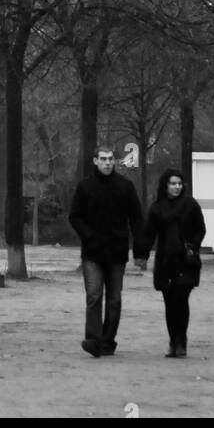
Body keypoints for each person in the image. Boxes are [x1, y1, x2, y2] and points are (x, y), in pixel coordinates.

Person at [68, 144, 146, 358]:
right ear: (95, 161)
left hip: (117, 252)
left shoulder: (125, 186)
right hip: (92, 252)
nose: (107, 162)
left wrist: (140, 250)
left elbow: (137, 218)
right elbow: (74, 216)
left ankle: (107, 340)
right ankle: (93, 339)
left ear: (115, 161)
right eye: (103, 159)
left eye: (110, 159)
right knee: (94, 295)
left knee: (114, 300)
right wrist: (88, 235)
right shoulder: (85, 187)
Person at [139, 167, 206, 358]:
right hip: (165, 261)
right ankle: (172, 340)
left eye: (179, 183)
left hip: (185, 260)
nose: (176, 187)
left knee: (181, 299)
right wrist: (142, 254)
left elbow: (201, 229)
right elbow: (149, 233)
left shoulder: (190, 205)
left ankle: (181, 340)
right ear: (165, 185)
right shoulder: (157, 208)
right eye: (172, 183)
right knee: (169, 302)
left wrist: (193, 245)